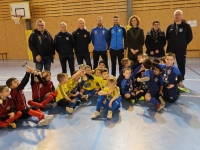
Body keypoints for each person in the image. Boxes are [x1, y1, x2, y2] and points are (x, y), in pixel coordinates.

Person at [166, 10, 193, 83]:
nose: (177, 16)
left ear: (182, 16)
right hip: (170, 51)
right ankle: (169, 80)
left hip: (181, 51)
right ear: (173, 16)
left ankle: (180, 81)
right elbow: (167, 37)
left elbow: (190, 37)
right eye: (175, 15)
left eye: (179, 14)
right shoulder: (170, 26)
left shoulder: (187, 26)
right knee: (169, 66)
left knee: (181, 66)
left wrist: (183, 44)